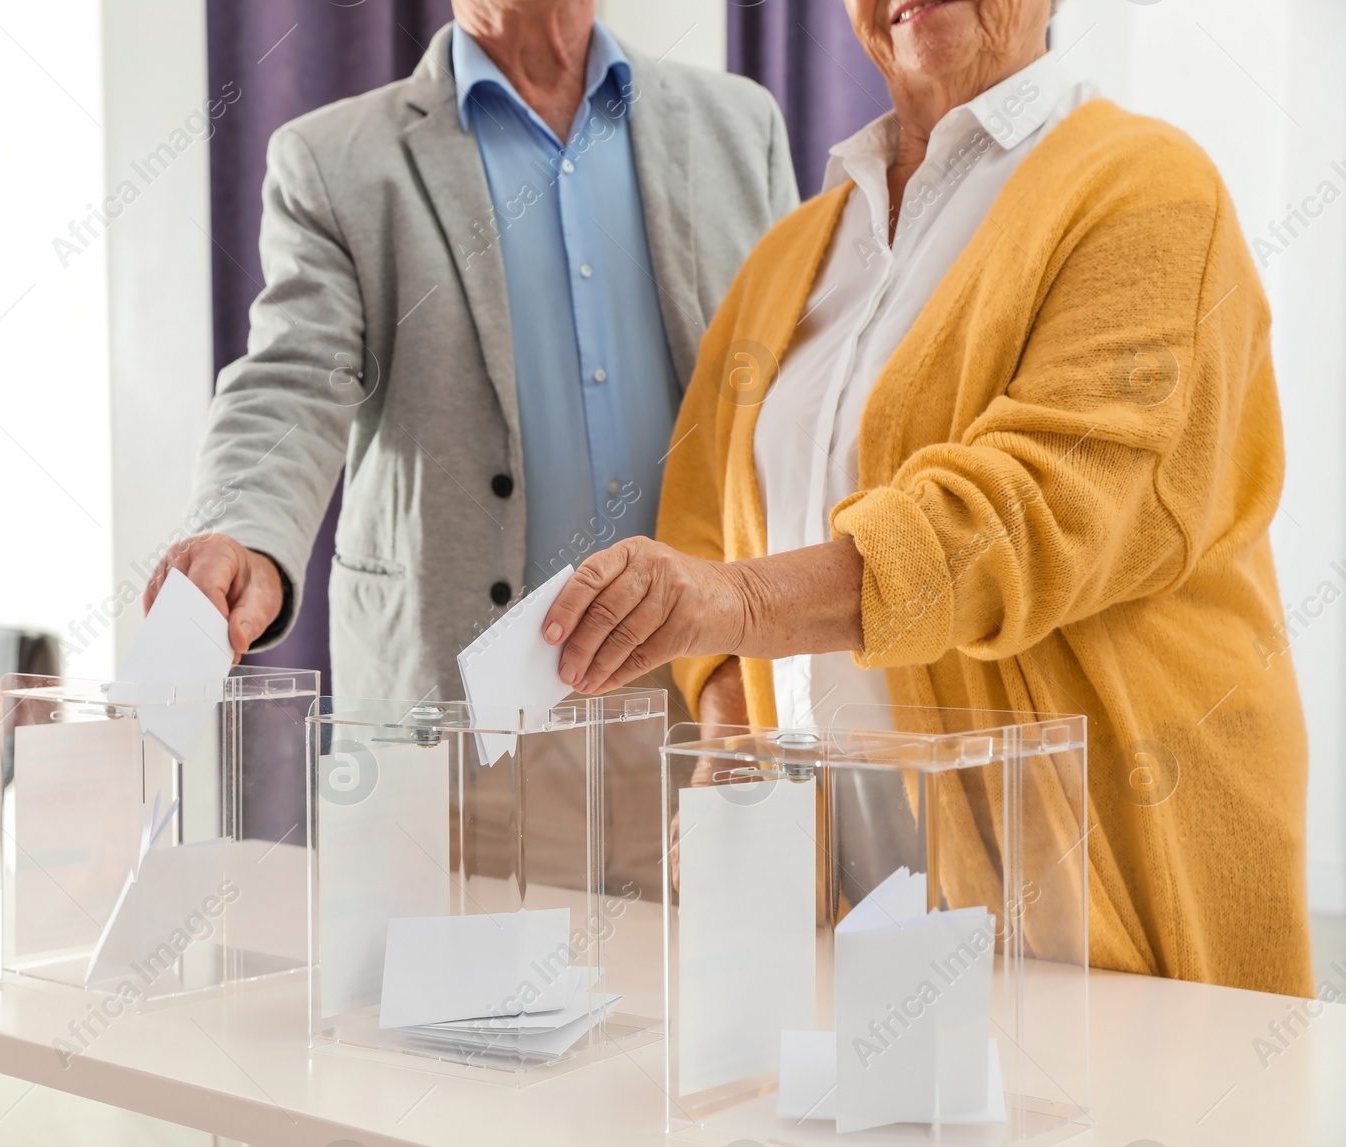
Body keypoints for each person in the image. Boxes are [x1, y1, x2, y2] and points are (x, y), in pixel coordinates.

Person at [542, 0, 1313, 996]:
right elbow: (704, 509)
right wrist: (729, 741)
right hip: (844, 871)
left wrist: (734, 597)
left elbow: (1041, 504)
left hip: (1097, 854)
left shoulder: (1148, 189)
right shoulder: (793, 251)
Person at [146, 0, 797, 705]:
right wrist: (245, 537)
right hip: (450, 708)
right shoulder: (335, 159)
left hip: (705, 698)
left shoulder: (741, 125)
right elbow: (294, 380)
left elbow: (797, 389)